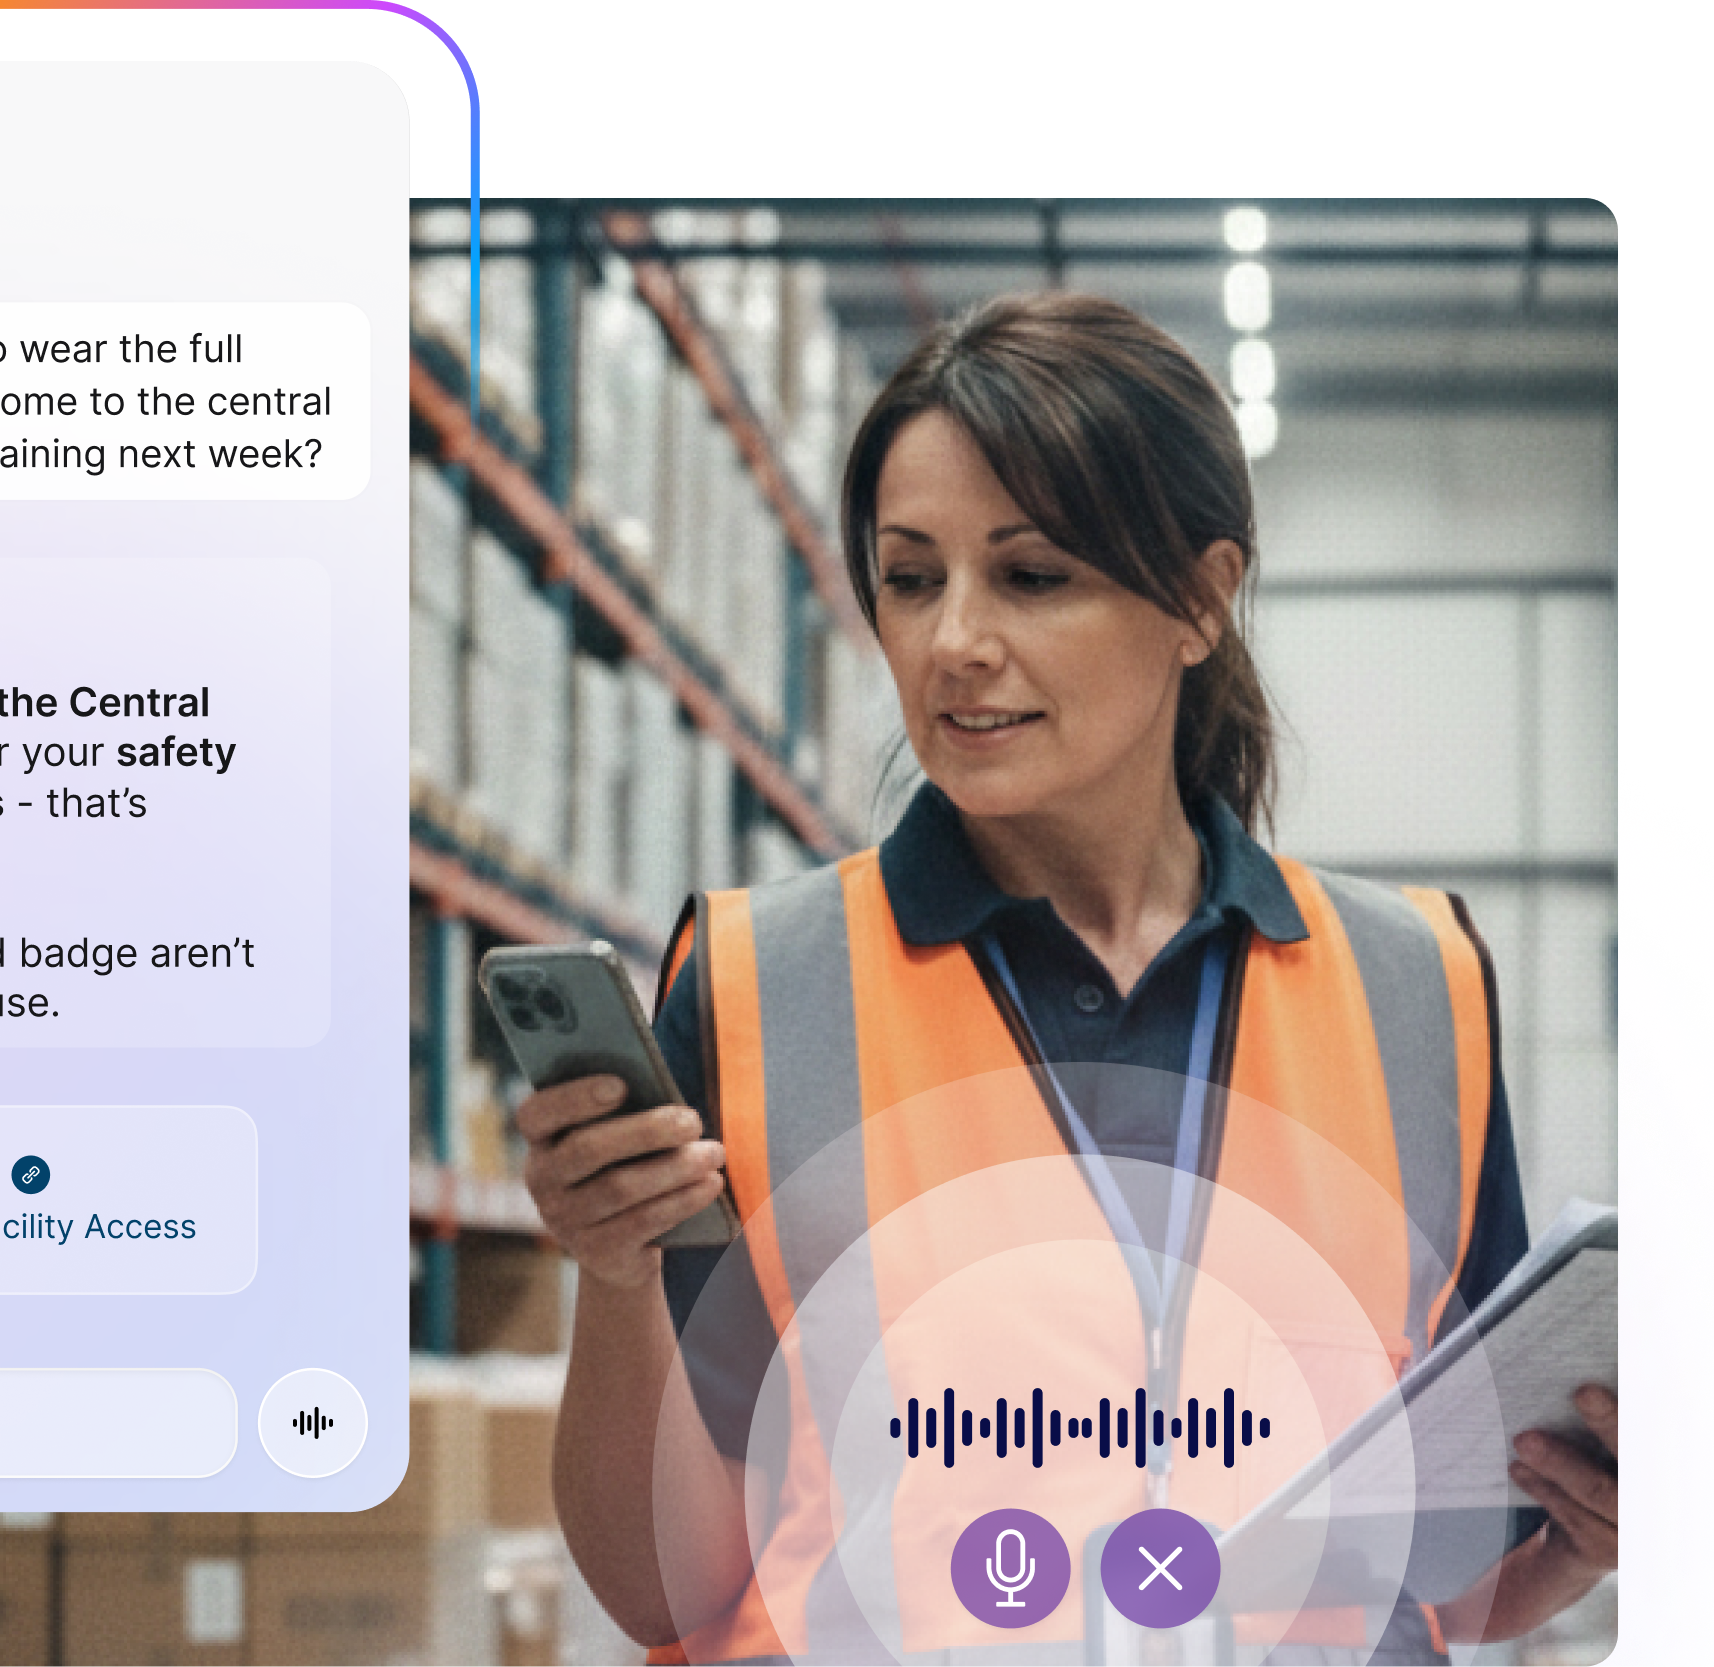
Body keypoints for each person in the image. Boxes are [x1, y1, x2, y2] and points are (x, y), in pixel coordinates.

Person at [516, 294, 1616, 1665]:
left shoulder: (1413, 985)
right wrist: (614, 1277)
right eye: (910, 577)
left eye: (1029, 576)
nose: (951, 641)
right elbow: (661, 1587)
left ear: (1200, 601)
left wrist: (1557, 1546)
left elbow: (1433, 1569)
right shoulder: (755, 987)